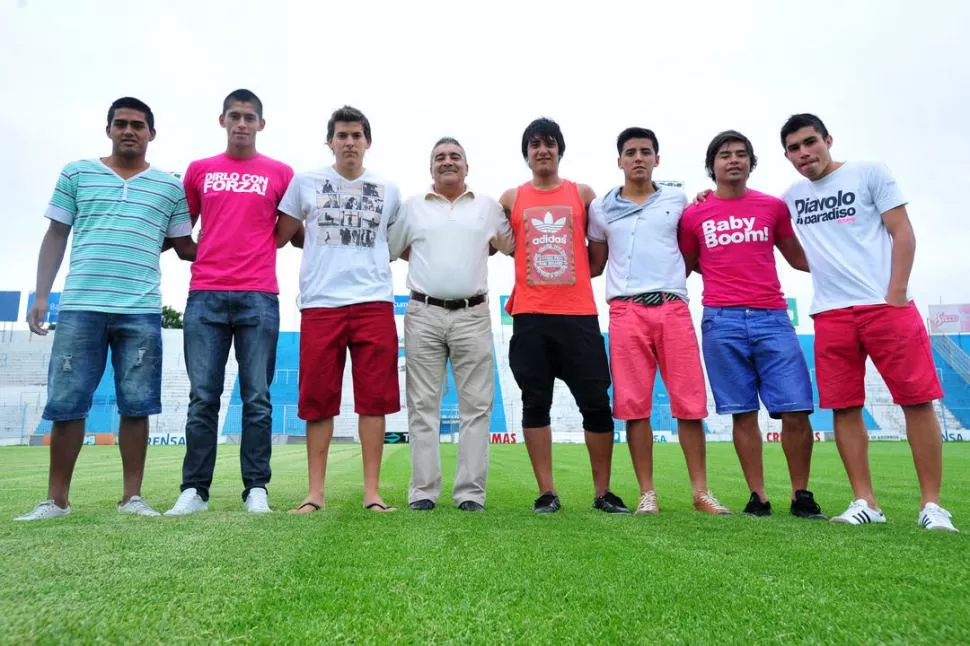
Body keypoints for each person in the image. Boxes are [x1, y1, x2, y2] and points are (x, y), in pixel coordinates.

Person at [16, 97, 195, 521]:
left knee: (137, 404)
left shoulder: (170, 187)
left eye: (138, 125)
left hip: (141, 310)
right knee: (67, 403)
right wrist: (42, 295)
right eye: (121, 123)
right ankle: (56, 500)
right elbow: (57, 233)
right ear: (109, 129)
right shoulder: (77, 173)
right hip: (80, 306)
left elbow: (183, 244)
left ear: (152, 133)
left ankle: (132, 497)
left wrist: (235, 241)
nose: (129, 130)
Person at [780, 113, 957, 532]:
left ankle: (932, 505)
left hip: (886, 307)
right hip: (830, 315)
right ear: (786, 155)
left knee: (916, 400)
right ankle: (866, 501)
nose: (804, 153)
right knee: (844, 407)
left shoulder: (869, 173)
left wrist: (895, 294)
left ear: (828, 139)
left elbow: (903, 232)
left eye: (810, 142)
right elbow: (784, 242)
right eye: (794, 148)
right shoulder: (790, 195)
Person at [679, 130, 825, 519]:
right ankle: (757, 496)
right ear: (711, 166)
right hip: (721, 321)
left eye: (741, 154)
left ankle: (801, 494)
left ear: (751, 162)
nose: (734, 160)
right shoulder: (694, 214)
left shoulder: (773, 207)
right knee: (742, 413)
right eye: (725, 155)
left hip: (773, 318)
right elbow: (684, 266)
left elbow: (797, 258)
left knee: (796, 410)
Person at [587, 127, 729, 516]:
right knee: (634, 407)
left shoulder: (678, 200)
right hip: (626, 310)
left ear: (657, 159)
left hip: (672, 307)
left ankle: (701, 492)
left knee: (690, 404)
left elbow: (691, 247)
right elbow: (595, 262)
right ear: (619, 160)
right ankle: (646, 493)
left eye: (645, 151)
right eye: (630, 152)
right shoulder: (601, 208)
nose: (638, 158)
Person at [164, 90, 294, 516]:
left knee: (257, 397)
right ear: (222, 120)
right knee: (203, 397)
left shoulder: (280, 173)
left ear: (261, 123)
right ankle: (195, 491)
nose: (242, 123)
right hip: (205, 296)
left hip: (258, 295)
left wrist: (253, 252)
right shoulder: (200, 170)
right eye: (235, 116)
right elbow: (182, 231)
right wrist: (210, 254)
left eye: (249, 117)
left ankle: (256, 488)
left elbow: (285, 232)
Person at [275, 106, 401, 513]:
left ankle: (372, 493)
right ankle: (315, 492)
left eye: (356, 135)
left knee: (374, 401)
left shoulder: (389, 190)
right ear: (330, 141)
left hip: (374, 302)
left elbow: (395, 243)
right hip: (321, 303)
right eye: (342, 135)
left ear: (368, 142)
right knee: (318, 400)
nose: (349, 142)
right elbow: (285, 235)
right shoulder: (305, 183)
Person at [500, 117, 630, 514]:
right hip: (530, 316)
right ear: (526, 154)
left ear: (560, 150)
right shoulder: (510, 198)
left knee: (595, 402)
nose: (543, 150)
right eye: (535, 144)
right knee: (534, 403)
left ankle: (602, 492)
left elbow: (597, 253)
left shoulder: (583, 194)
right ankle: (547, 492)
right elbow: (495, 242)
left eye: (550, 143)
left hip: (578, 316)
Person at [388, 137, 514, 512]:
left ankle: (470, 494)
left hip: (472, 313)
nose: (447, 162)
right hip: (423, 312)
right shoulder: (412, 208)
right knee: (421, 404)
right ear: (430, 168)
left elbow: (509, 244)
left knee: (476, 407)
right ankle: (423, 492)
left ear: (467, 166)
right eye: (440, 157)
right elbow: (391, 249)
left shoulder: (487, 207)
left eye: (455, 156)